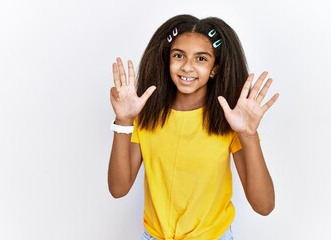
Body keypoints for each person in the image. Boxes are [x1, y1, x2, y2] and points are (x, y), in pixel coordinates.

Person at [108, 14, 279, 240]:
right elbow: (118, 189)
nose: (187, 67)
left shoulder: (229, 122)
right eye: (179, 55)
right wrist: (124, 121)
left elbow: (264, 206)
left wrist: (248, 135)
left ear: (214, 69)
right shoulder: (147, 116)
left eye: (201, 59)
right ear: (167, 59)